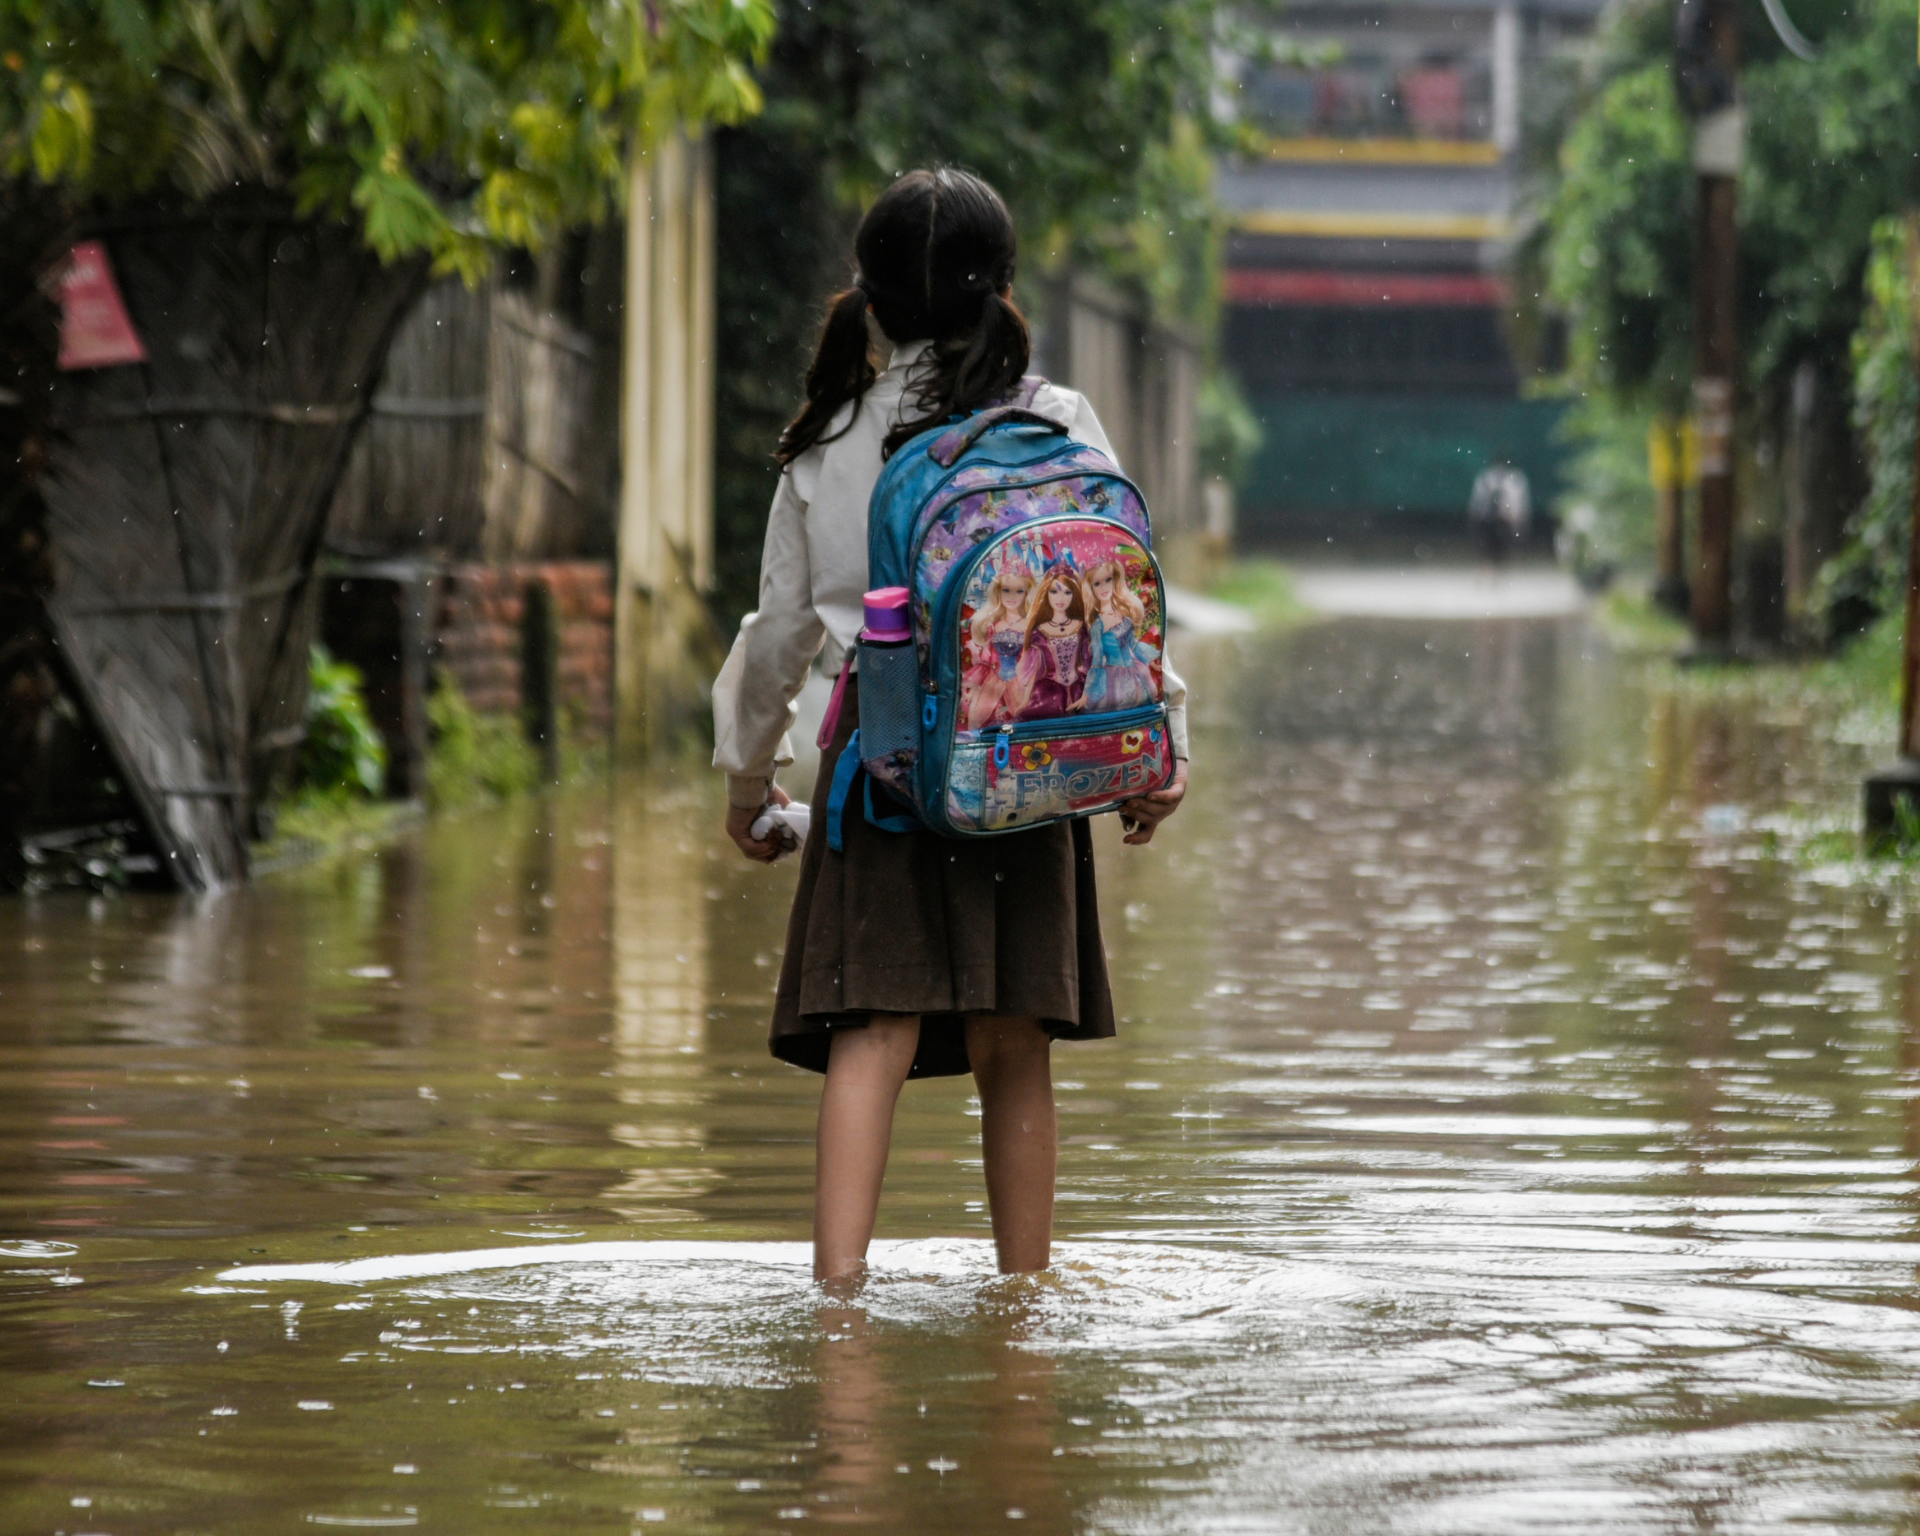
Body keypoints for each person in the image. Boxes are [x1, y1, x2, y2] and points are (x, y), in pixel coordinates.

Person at [711, 168, 1190, 1285]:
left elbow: (780, 632)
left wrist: (746, 784)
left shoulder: (828, 441)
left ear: (869, 301)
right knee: (1015, 1043)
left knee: (869, 1033)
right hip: (1024, 761)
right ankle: (1027, 1304)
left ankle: (838, 1306)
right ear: (1003, 290)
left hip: (878, 767)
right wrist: (1160, 748)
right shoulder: (1056, 420)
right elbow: (1119, 600)